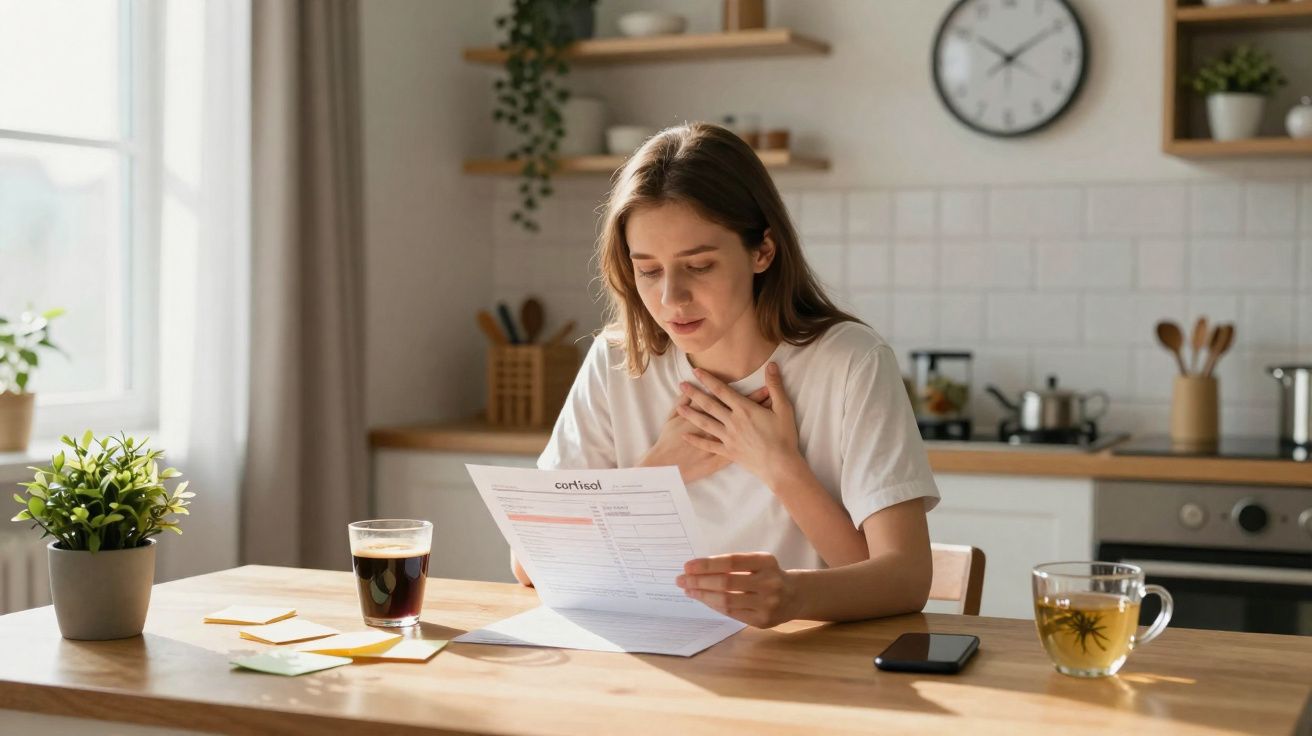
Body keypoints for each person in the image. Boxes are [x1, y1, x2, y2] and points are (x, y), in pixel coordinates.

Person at [513, 122, 940, 629]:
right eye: (648, 270)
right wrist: (655, 476)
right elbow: (529, 566)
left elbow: (906, 578)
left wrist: (779, 469)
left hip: (808, 666)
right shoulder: (616, 361)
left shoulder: (851, 362)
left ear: (762, 250)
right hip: (650, 661)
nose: (671, 299)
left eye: (699, 266)